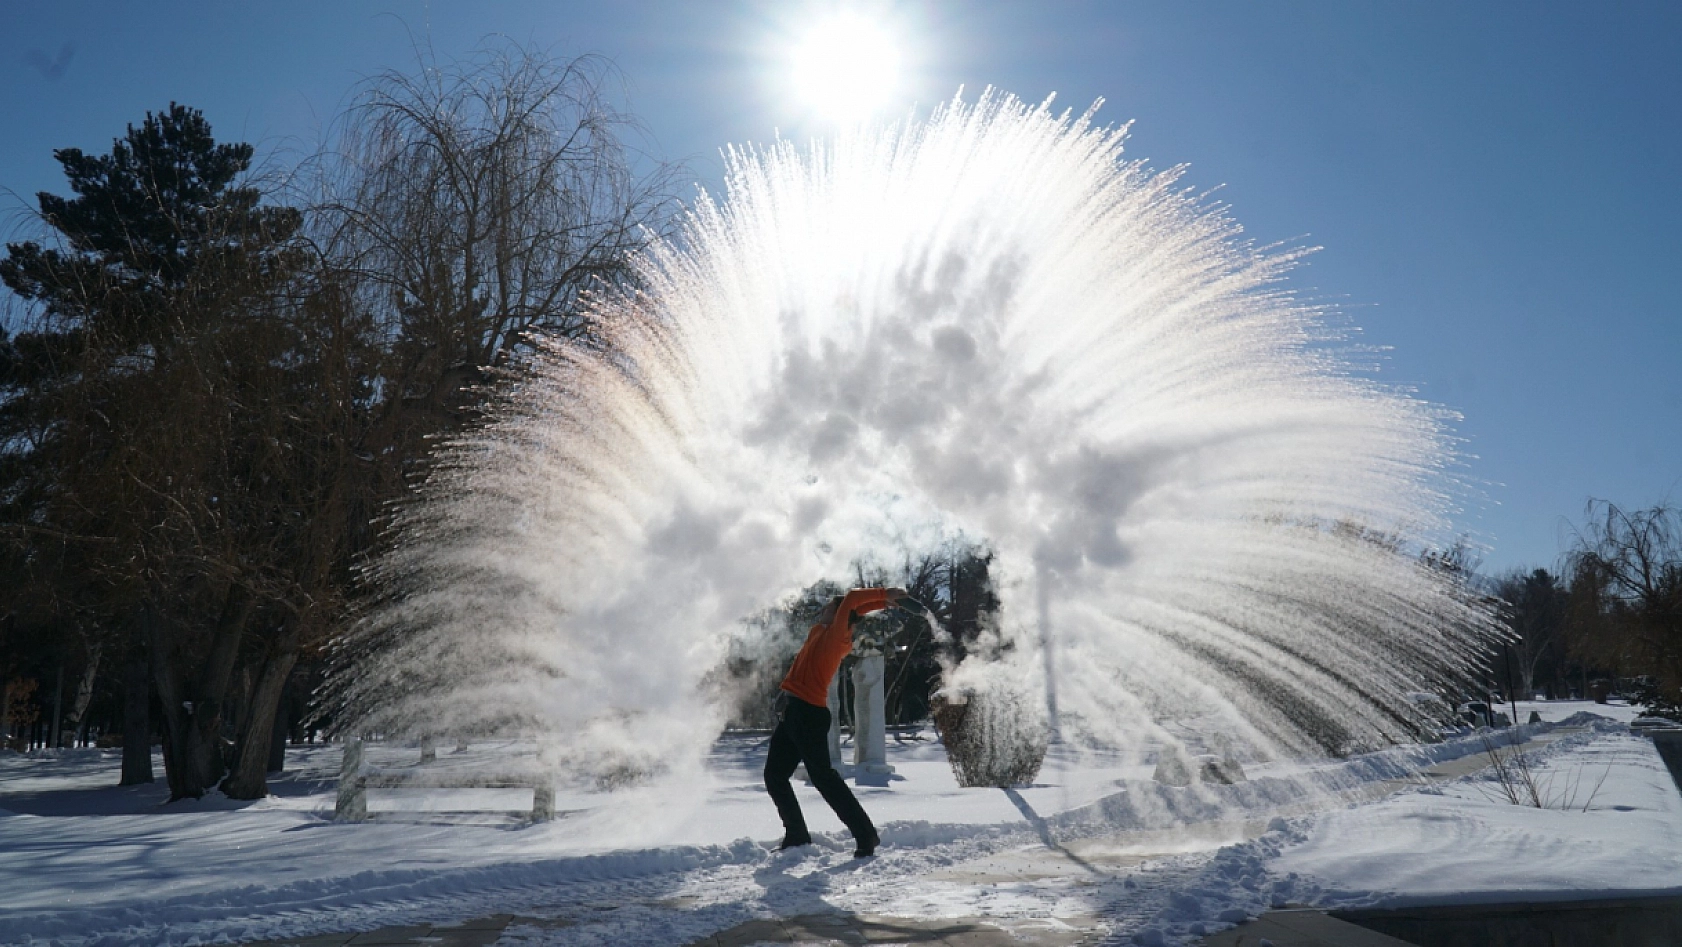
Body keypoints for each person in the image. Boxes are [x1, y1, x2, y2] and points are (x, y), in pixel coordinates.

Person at [765, 585, 907, 857]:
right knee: (774, 776)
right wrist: (883, 604)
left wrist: (885, 593)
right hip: (793, 711)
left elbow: (853, 601)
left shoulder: (838, 638)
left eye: (831, 608)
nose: (825, 610)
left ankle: (865, 834)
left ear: (841, 615)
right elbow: (856, 607)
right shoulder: (820, 631)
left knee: (824, 779)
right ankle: (796, 834)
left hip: (808, 715)